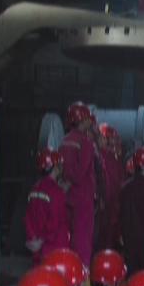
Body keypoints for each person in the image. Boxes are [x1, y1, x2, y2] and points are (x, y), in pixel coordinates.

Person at [59, 102, 96, 266]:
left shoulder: (64, 141)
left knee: (67, 236)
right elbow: (82, 171)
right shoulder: (85, 142)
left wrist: (65, 183)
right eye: (88, 118)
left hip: (66, 195)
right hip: (83, 197)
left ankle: (66, 269)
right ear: (83, 119)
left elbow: (60, 168)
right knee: (82, 239)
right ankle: (82, 274)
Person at [25, 148, 70, 264]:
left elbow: (28, 218)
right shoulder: (57, 192)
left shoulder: (34, 189)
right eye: (59, 166)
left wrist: (33, 238)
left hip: (37, 250)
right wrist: (43, 239)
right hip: (55, 249)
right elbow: (56, 220)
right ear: (55, 168)